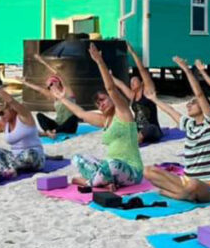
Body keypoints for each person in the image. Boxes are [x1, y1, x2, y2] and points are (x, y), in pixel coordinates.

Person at [46, 43, 143, 189]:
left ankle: (90, 182)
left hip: (131, 170)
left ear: (111, 99)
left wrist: (99, 61)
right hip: (108, 167)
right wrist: (62, 98)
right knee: (78, 159)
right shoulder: (104, 120)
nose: (101, 105)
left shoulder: (123, 113)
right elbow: (80, 113)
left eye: (103, 100)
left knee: (112, 165)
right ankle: (102, 182)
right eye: (98, 104)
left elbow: (110, 88)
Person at [143, 56, 210, 202]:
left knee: (192, 185)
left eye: (193, 103)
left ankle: (175, 194)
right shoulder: (190, 124)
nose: (188, 105)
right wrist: (154, 99)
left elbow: (199, 94)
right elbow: (170, 110)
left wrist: (187, 70)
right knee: (148, 171)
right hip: (186, 180)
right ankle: (184, 194)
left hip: (207, 185)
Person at [111, 41, 163, 144]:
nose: (132, 83)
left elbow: (142, 71)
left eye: (134, 81)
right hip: (137, 129)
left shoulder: (148, 93)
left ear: (142, 83)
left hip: (152, 130)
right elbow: (121, 85)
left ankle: (135, 143)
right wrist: (110, 76)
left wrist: (133, 53)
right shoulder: (132, 96)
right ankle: (132, 140)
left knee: (149, 128)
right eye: (131, 82)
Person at [23, 55, 79, 138]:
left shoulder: (67, 91)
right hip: (58, 124)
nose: (51, 87)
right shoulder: (54, 96)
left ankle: (51, 132)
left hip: (70, 126)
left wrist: (43, 62)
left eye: (52, 84)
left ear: (58, 82)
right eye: (49, 86)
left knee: (74, 117)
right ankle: (49, 132)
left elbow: (58, 74)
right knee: (39, 115)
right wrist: (25, 82)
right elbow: (39, 89)